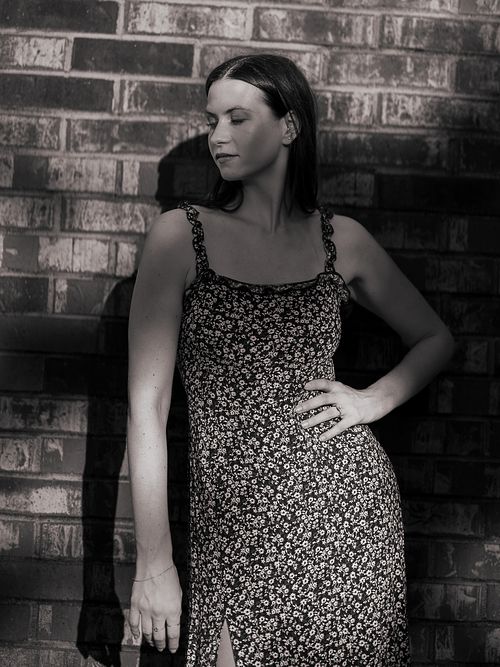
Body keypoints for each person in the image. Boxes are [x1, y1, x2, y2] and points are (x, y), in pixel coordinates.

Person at [126, 53, 454, 666]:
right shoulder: (180, 235)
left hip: (349, 517)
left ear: (289, 126)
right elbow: (148, 406)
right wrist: (155, 561)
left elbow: (435, 337)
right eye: (212, 120)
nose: (218, 136)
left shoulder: (340, 240)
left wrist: (370, 401)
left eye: (237, 118)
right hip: (236, 524)